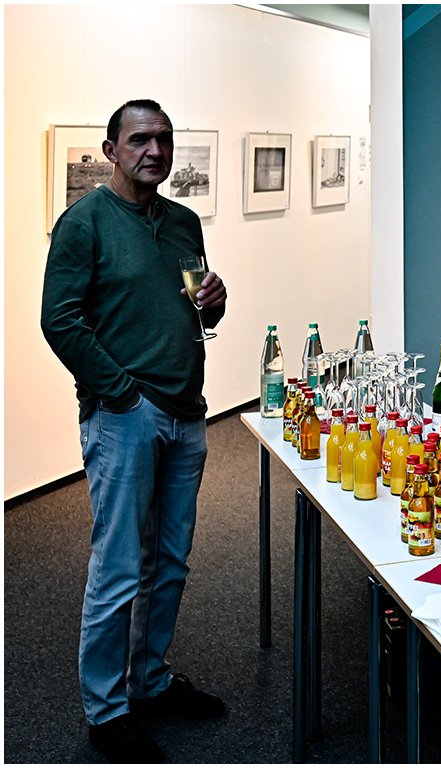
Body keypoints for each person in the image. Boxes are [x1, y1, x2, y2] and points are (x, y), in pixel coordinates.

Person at [41, 99, 228, 763]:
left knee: (170, 562)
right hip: (127, 417)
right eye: (140, 139)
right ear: (111, 150)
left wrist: (215, 303)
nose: (155, 151)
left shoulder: (183, 222)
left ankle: (149, 680)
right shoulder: (84, 224)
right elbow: (60, 321)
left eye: (164, 140)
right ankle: (106, 710)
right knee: (119, 567)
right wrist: (121, 394)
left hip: (187, 411)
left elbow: (198, 311)